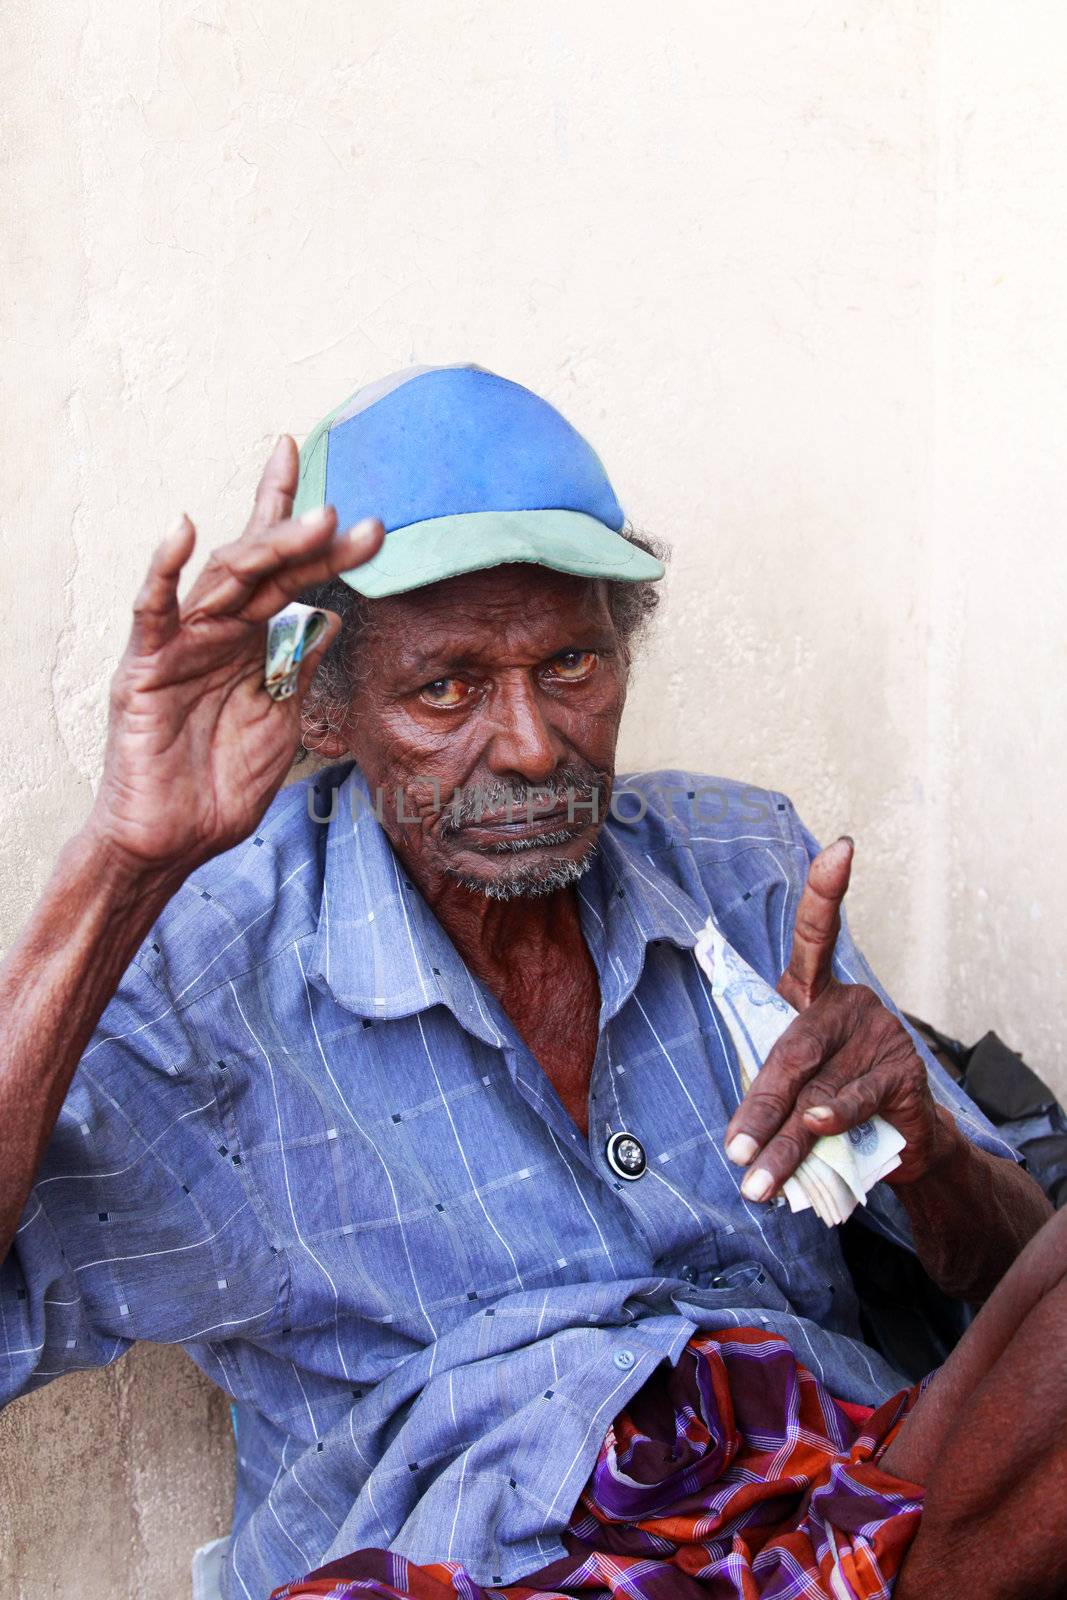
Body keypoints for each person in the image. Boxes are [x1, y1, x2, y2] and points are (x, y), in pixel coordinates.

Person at [0, 365, 1059, 1600]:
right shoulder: (218, 982)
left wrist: (921, 1146)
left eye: (569, 666)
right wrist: (118, 868)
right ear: (321, 708)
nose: (529, 742)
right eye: (444, 684)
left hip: (847, 1501)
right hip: (492, 1557)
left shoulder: (738, 865)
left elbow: (1009, 1287)